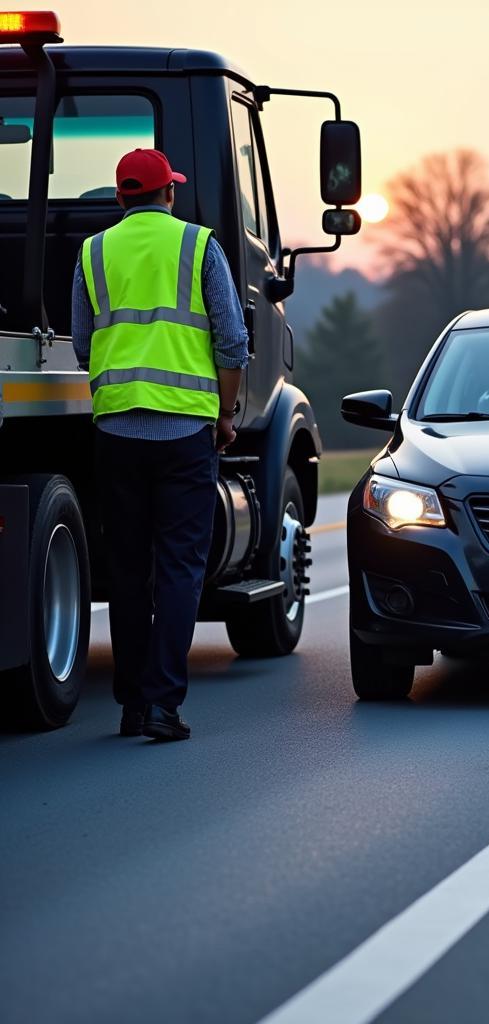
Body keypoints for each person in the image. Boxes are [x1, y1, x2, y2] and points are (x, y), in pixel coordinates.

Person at [72, 148, 249, 741]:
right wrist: (225, 414)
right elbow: (231, 342)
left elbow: (81, 343)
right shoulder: (199, 246)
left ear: (122, 198)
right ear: (167, 194)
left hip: (117, 431)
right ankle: (162, 707)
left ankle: (128, 705)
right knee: (179, 569)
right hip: (185, 433)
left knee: (127, 571)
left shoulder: (93, 251)